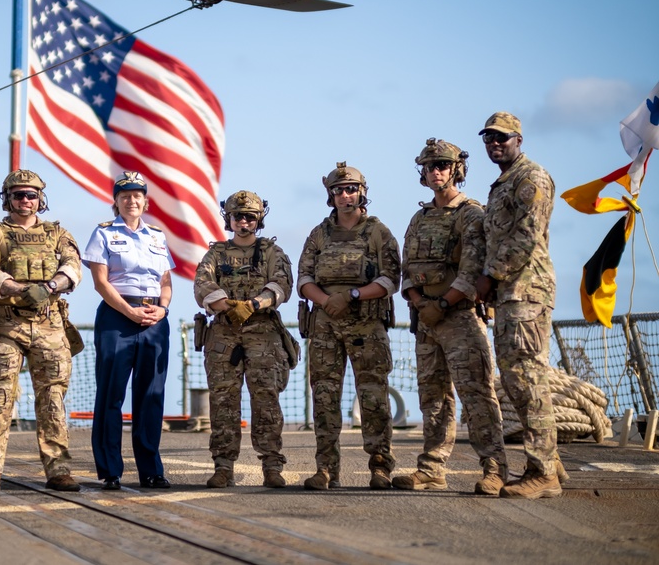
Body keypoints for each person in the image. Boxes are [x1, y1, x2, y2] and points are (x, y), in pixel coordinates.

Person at [394, 139, 509, 495]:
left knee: (476, 393)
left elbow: (474, 267)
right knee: (433, 396)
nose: (436, 171)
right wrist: (417, 301)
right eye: (429, 166)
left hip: (459, 317)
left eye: (442, 164)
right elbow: (407, 268)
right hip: (426, 320)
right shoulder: (420, 217)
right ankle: (431, 469)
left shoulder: (470, 214)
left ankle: (495, 468)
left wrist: (442, 304)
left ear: (457, 168)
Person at [297, 162, 400, 491]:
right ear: (331, 196)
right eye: (339, 190)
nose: (345, 195)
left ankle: (380, 467)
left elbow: (390, 279)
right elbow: (304, 280)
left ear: (362, 192)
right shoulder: (319, 234)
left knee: (373, 397)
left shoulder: (377, 233)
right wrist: (328, 302)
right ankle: (326, 469)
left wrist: (352, 295)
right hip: (326, 326)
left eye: (351, 189)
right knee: (325, 398)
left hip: (366, 325)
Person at [0, 170, 82, 492]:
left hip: (49, 325)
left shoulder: (57, 234)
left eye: (32, 195)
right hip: (8, 325)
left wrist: (50, 285)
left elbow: (73, 265)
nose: (25, 200)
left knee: (52, 399)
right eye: (18, 195)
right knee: (0, 397)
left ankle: (58, 469)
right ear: (7, 198)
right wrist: (17, 288)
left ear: (41, 199)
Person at [476, 112, 562, 499]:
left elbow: (526, 235)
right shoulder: (503, 183)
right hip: (510, 295)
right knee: (517, 379)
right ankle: (550, 460)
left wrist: (489, 276)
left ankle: (542, 473)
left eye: (502, 138)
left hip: (525, 293)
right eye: (489, 138)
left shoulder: (531, 178)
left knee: (527, 378)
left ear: (519, 139)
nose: (495, 144)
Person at [193, 190, 294, 488]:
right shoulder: (216, 253)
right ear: (229, 219)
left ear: (259, 219)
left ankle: (272, 466)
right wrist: (228, 306)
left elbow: (282, 283)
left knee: (266, 399)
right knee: (224, 400)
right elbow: (203, 282)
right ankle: (223, 466)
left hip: (263, 333)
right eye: (238, 216)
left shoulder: (272, 252)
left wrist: (253, 305)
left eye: (250, 216)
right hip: (224, 333)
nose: (244, 222)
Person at [84, 171, 173, 491]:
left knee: (151, 396)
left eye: (137, 195)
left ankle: (151, 470)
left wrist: (163, 309)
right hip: (117, 319)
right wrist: (128, 311)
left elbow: (165, 281)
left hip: (154, 319)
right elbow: (101, 282)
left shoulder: (157, 236)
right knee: (111, 395)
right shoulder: (104, 233)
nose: (131, 200)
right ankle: (110, 471)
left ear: (145, 201)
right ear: (116, 202)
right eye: (124, 195)